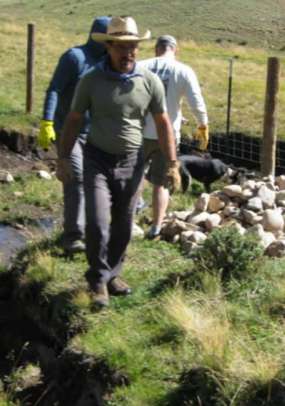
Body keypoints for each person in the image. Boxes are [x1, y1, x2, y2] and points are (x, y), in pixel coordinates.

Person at [56, 16, 181, 307]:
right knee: (98, 222)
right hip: (97, 159)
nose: (128, 53)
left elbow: (163, 123)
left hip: (132, 161)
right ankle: (97, 281)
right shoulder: (91, 81)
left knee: (124, 224)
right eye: (122, 47)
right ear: (109, 47)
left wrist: (172, 162)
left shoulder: (148, 81)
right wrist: (63, 158)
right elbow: (73, 120)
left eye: (133, 47)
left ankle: (112, 274)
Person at [38, 16, 110, 254]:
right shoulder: (74, 57)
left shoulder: (108, 62)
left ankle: (95, 230)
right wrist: (47, 120)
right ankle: (72, 237)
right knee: (75, 178)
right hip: (68, 130)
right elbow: (55, 89)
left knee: (98, 181)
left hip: (96, 133)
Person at [138, 35, 209, 239]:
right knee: (160, 183)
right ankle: (156, 228)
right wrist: (202, 124)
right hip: (166, 137)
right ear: (175, 50)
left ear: (155, 49)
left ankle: (125, 219)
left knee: (135, 176)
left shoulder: (141, 66)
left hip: (139, 132)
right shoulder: (183, 71)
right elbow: (196, 102)